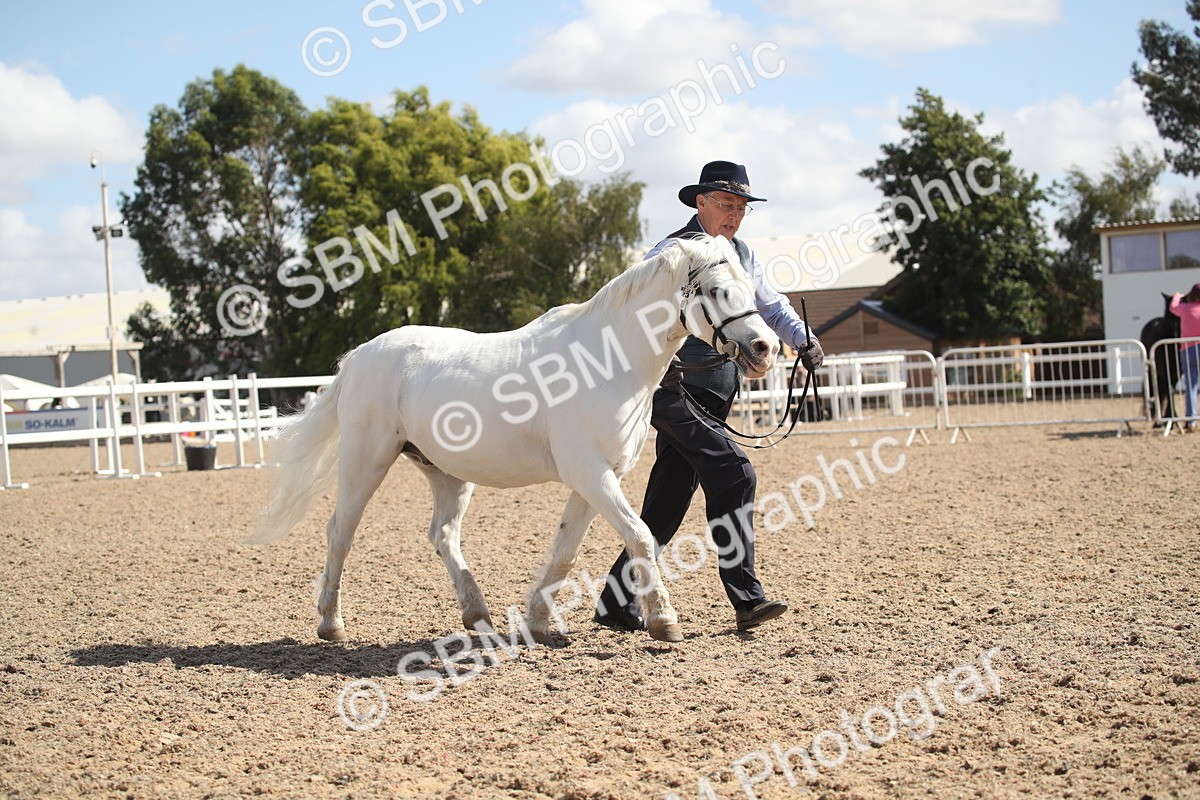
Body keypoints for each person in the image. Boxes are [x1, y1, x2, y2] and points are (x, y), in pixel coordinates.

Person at [593, 160, 825, 634]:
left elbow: (770, 307)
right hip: (672, 390)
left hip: (716, 389)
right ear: (701, 203)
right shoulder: (673, 252)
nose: (734, 215)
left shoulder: (742, 254)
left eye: (741, 208)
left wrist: (803, 338)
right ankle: (747, 598)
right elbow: (633, 309)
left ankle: (616, 602)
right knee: (736, 474)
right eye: (726, 204)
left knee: (667, 500)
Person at [1169, 283, 1200, 430]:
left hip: (1188, 350)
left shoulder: (1185, 309)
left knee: (1191, 386)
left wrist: (1177, 296)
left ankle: (1191, 420)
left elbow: (1172, 307)